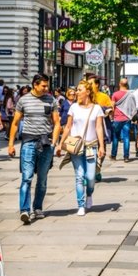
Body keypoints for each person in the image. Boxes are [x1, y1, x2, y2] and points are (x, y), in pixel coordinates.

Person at [7, 74, 61, 225]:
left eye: (47, 85)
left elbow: (57, 123)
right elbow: (16, 122)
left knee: (42, 180)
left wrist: (54, 143)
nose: (46, 88)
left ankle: (37, 207)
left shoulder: (51, 100)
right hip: (29, 142)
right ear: (35, 85)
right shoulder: (24, 100)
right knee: (27, 177)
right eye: (43, 86)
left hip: (45, 143)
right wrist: (11, 144)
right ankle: (25, 209)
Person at [57, 80, 105, 215]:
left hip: (91, 146)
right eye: (77, 90)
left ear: (88, 92)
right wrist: (61, 143)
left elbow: (99, 127)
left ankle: (89, 194)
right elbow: (68, 126)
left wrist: (101, 146)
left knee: (90, 176)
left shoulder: (96, 108)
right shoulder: (73, 108)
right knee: (79, 176)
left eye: (79, 90)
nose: (76, 92)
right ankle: (81, 205)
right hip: (76, 147)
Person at [110, 78, 132, 162]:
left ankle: (113, 155)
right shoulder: (130, 94)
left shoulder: (115, 94)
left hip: (117, 118)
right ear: (127, 85)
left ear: (119, 84)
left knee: (115, 137)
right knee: (126, 137)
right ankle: (126, 157)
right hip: (127, 118)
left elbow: (112, 106)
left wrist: (112, 115)